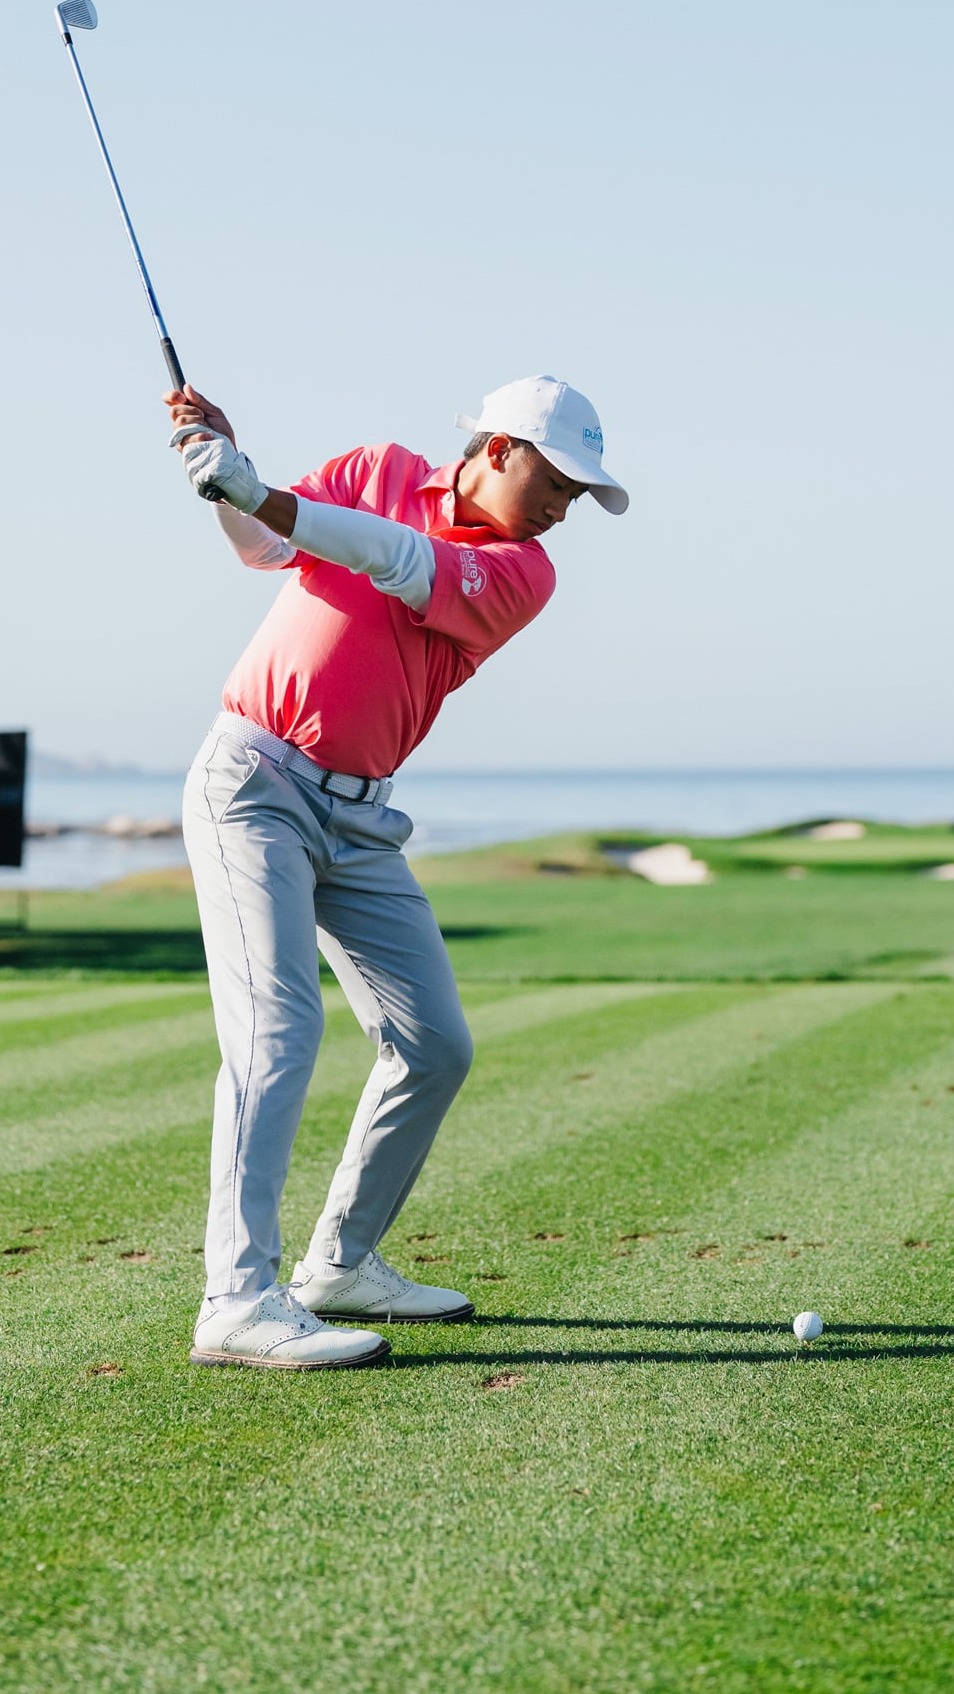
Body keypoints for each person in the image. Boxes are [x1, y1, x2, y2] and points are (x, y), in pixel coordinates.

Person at [167, 374, 628, 1369]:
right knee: (278, 1031)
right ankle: (236, 1298)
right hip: (252, 778)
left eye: (577, 495)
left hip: (361, 819)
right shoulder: (373, 469)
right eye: (555, 480)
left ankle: (337, 1261)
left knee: (435, 1044)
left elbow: (396, 557)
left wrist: (255, 490)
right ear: (498, 447)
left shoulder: (520, 572)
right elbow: (266, 546)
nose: (562, 508)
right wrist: (223, 482)